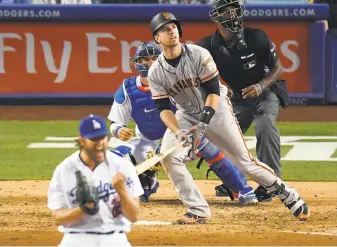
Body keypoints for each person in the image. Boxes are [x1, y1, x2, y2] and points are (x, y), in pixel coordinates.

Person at [147, 11, 309, 224]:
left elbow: (214, 91)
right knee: (169, 157)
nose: (172, 31)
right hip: (185, 115)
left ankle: (287, 194)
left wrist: (202, 125)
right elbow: (162, 108)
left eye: (174, 27)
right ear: (157, 38)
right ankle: (198, 209)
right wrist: (178, 132)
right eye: (165, 29)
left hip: (217, 110)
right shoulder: (156, 72)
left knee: (244, 161)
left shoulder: (198, 54)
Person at [108, 42, 257, 206]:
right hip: (147, 144)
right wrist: (119, 130)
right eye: (144, 59)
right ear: (136, 62)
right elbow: (114, 124)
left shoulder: (176, 80)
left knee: (207, 146)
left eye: (153, 58)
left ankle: (241, 188)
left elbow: (204, 99)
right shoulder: (127, 88)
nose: (148, 63)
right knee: (119, 156)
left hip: (180, 137)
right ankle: (143, 185)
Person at [197, 0, 290, 202]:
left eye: (235, 10)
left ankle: (272, 184)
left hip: (266, 92)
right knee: (223, 133)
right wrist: (222, 89)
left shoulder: (257, 36)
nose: (232, 15)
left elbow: (278, 68)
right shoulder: (207, 46)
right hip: (238, 97)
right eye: (226, 12)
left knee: (265, 126)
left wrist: (260, 86)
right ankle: (233, 181)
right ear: (216, 17)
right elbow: (197, 75)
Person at [47, 114, 143, 247]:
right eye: (93, 139)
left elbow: (134, 216)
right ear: (81, 141)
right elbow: (58, 218)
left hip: (115, 238)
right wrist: (83, 209)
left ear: (107, 139)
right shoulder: (65, 170)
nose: (99, 143)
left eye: (101, 138)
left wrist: (121, 190)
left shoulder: (122, 167)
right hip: (77, 239)